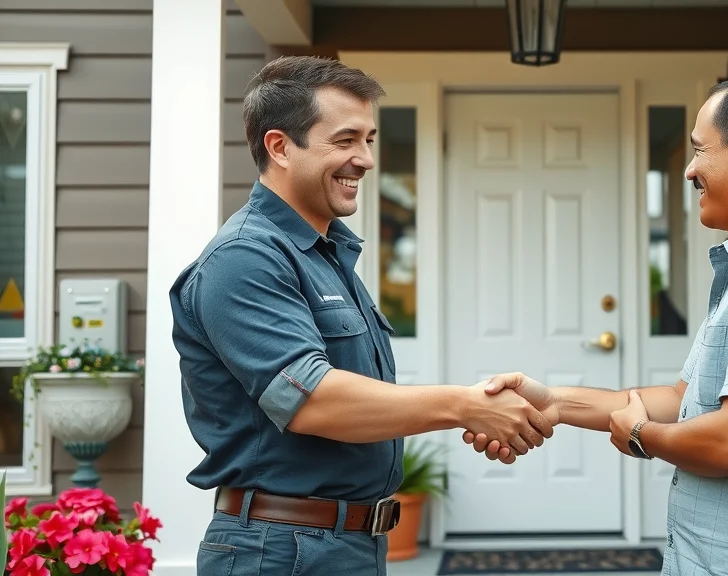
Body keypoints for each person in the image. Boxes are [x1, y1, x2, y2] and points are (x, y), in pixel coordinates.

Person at [465, 74, 728, 576]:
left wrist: (640, 435)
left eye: (700, 150)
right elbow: (686, 400)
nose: (690, 170)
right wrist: (556, 403)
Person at [168, 55, 553, 576]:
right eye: (346, 140)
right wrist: (465, 406)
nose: (366, 159)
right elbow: (312, 402)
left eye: (368, 139)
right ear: (279, 146)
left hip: (343, 546)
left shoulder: (323, 254)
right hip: (281, 550)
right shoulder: (244, 258)